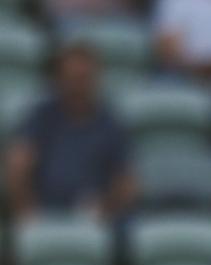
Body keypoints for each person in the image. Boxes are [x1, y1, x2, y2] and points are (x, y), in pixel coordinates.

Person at [5, 43, 135, 222]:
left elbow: (126, 179)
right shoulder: (42, 116)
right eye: (72, 78)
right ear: (59, 79)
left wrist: (106, 207)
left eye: (84, 78)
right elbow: (18, 161)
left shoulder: (110, 123)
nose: (78, 86)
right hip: (44, 208)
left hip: (94, 212)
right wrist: (27, 210)